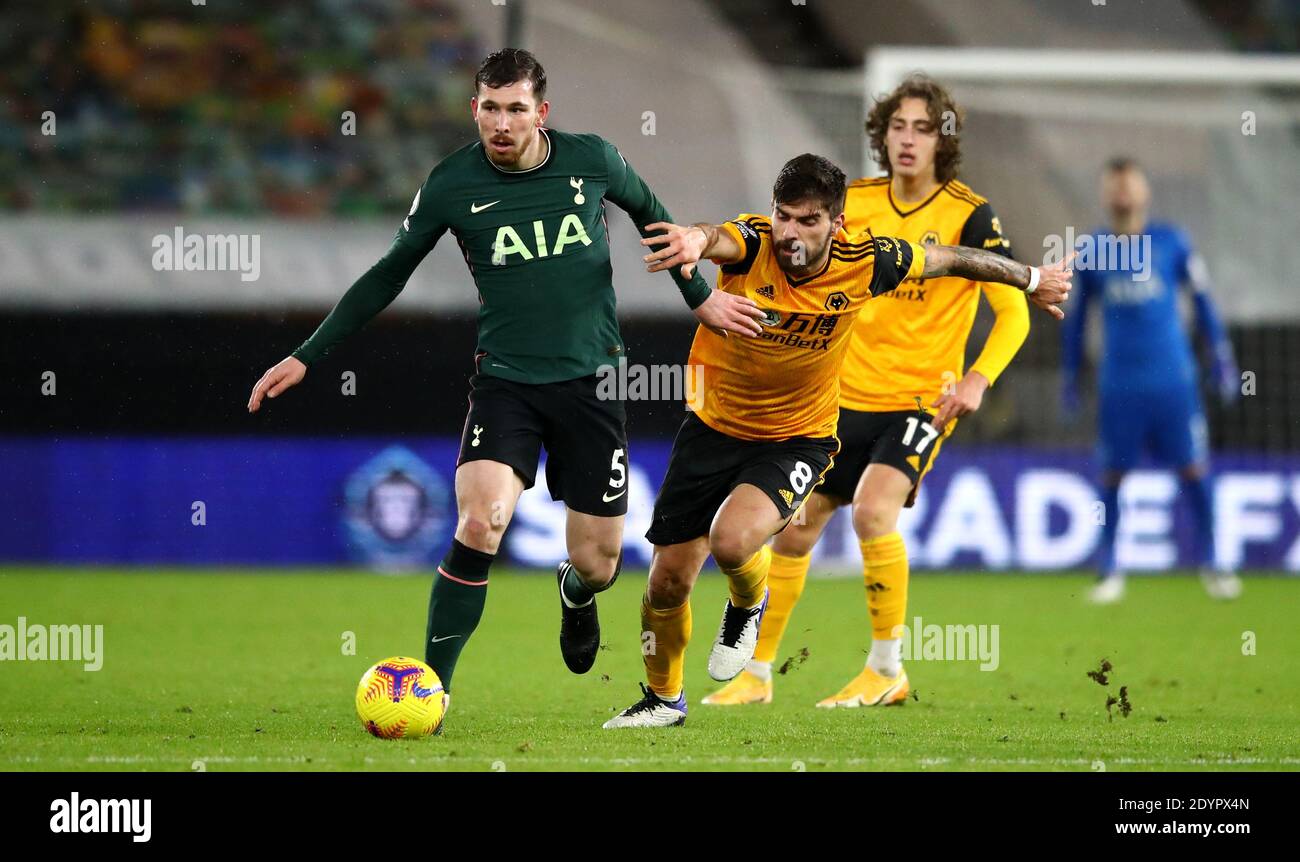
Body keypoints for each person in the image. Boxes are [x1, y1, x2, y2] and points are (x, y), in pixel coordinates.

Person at [246, 49, 765, 721]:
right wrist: (309, 355)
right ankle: (430, 689)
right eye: (489, 107)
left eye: (516, 108)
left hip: (593, 383)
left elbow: (655, 216)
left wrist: (698, 296)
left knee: (600, 564)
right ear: (475, 110)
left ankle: (574, 593)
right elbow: (387, 273)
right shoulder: (451, 184)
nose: (501, 122)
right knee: (481, 518)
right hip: (507, 384)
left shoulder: (593, 160)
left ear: (540, 113)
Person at [602, 153, 1072, 728]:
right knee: (667, 579)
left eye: (808, 221)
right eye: (784, 217)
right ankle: (662, 700)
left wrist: (1030, 279)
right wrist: (695, 242)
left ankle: (750, 603)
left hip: (797, 437)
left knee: (731, 542)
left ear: (838, 225)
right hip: (713, 425)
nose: (791, 233)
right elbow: (718, 236)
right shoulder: (755, 243)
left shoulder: (870, 261)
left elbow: (953, 260)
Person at [702, 74, 1030, 709]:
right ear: (881, 135)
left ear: (944, 139)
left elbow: (1013, 310)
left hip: (920, 399)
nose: (908, 140)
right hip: (840, 396)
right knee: (794, 531)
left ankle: (886, 669)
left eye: (923, 128)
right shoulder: (852, 201)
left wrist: (977, 378)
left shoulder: (969, 212)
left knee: (874, 511)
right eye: (897, 127)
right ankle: (757, 673)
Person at [1063, 157, 1241, 604]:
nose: (1122, 192)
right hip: (1119, 384)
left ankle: (1214, 560)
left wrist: (1221, 357)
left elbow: (1203, 303)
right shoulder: (1091, 250)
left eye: (1129, 183)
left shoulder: (1172, 242)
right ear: (1105, 194)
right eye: (1114, 185)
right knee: (1111, 476)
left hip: (1174, 380)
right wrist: (1071, 375)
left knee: (1194, 468)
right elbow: (1077, 320)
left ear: (1144, 191)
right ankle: (1108, 569)